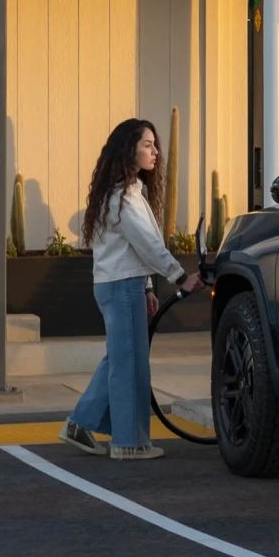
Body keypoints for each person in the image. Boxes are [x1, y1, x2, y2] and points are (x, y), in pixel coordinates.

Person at [59, 118, 202, 460]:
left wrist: (148, 287)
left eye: (155, 145)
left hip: (125, 284)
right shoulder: (122, 198)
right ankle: (128, 443)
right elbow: (148, 244)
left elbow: (135, 248)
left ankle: (79, 424)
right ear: (129, 149)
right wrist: (181, 277)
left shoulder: (129, 192)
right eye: (147, 145)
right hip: (121, 286)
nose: (155, 151)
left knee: (120, 359)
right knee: (130, 365)